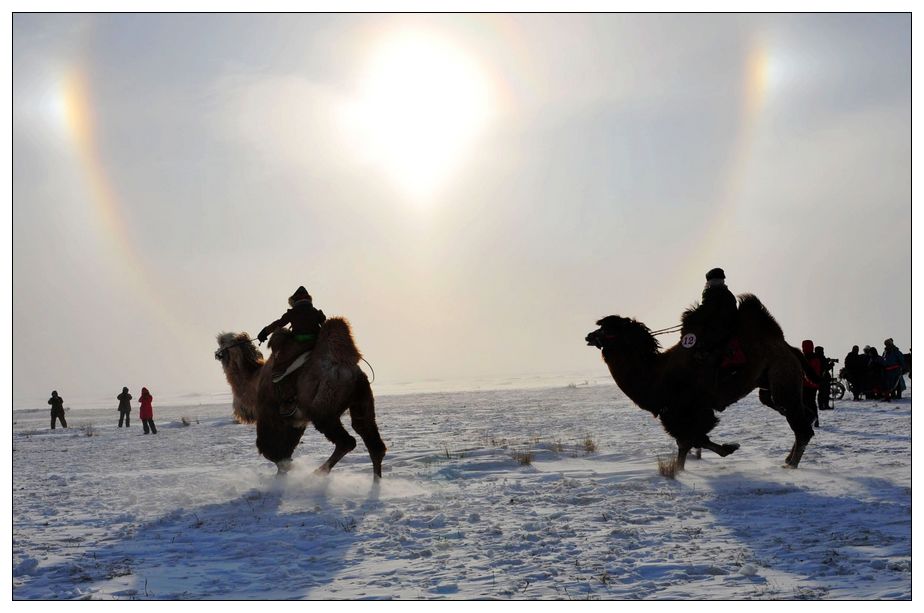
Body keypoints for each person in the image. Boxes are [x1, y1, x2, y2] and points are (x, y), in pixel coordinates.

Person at [257, 286, 327, 414]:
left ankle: (288, 400)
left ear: (294, 301)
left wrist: (265, 332)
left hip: (298, 344)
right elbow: (325, 325)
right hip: (316, 344)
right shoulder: (315, 311)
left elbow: (279, 323)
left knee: (279, 370)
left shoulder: (293, 312)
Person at [801, 340, 822, 427]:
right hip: (814, 385)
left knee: (805, 403)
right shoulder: (816, 358)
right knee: (812, 403)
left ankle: (809, 419)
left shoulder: (804, 358)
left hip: (805, 384)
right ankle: (815, 419)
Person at [814, 346, 832, 411]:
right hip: (823, 378)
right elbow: (824, 368)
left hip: (823, 378)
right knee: (823, 392)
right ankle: (823, 405)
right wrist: (830, 365)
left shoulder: (817, 357)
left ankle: (824, 405)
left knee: (825, 392)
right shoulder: (819, 358)